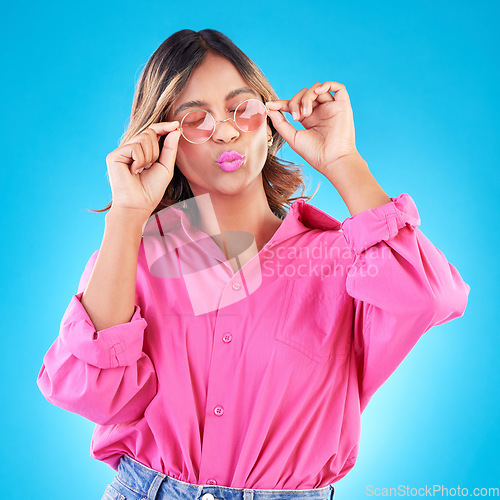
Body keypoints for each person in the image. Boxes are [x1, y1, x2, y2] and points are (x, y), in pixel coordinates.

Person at [36, 29, 470, 500]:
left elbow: (430, 297)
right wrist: (126, 216)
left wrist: (343, 160)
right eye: (194, 120)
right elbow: (91, 394)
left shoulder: (344, 259)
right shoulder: (142, 258)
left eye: (241, 109)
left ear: (270, 120)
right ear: (166, 142)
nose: (224, 130)